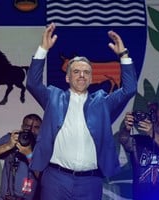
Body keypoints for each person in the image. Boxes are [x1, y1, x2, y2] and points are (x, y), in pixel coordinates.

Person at [26, 22, 137, 200]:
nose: (82, 75)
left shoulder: (102, 102)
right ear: (67, 77)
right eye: (76, 71)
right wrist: (43, 49)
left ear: (92, 78)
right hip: (56, 178)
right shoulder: (53, 97)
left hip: (89, 181)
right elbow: (32, 83)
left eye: (86, 72)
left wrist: (123, 55)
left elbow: (129, 89)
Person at [0, 113, 42, 200]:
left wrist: (29, 155)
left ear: (41, 129)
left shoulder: (44, 146)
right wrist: (8, 145)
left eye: (36, 127)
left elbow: (44, 178)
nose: (31, 130)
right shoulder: (13, 138)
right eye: (27, 126)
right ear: (22, 127)